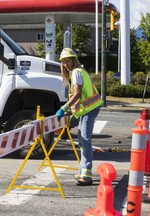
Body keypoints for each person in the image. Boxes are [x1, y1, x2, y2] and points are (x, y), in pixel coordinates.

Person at [56, 48, 103, 186]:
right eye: (64, 62)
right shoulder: (77, 72)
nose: (66, 64)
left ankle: (86, 174)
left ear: (74, 60)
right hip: (87, 109)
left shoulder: (76, 72)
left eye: (68, 61)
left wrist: (63, 108)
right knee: (82, 140)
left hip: (90, 109)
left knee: (85, 140)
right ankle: (83, 169)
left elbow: (77, 94)